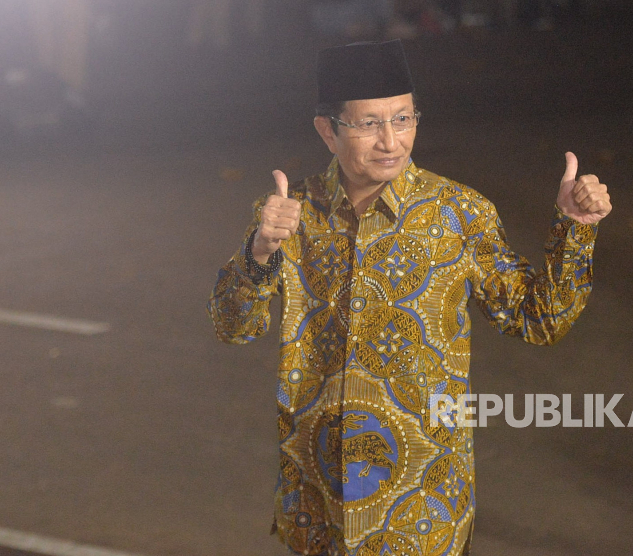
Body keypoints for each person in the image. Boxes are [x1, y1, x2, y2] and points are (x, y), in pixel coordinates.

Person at [208, 39, 611, 556]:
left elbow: (539, 321)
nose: (390, 141)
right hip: (319, 509)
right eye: (368, 123)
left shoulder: (459, 214)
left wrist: (574, 231)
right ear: (327, 130)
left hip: (422, 514)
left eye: (403, 119)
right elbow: (231, 326)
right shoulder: (291, 216)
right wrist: (260, 251)